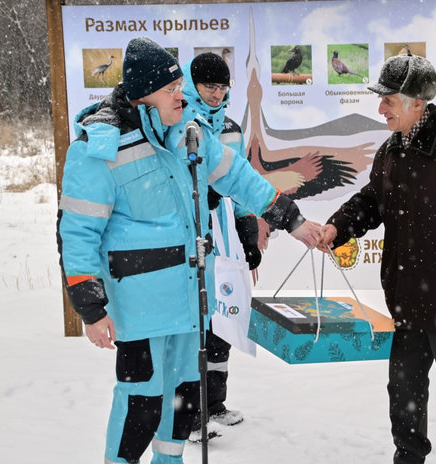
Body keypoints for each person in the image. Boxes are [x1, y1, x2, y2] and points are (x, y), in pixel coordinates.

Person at [57, 37, 323, 464]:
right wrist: (90, 306)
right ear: (144, 94)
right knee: (141, 403)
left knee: (184, 398)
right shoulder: (98, 150)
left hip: (189, 297)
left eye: (181, 85)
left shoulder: (189, 135)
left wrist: (291, 219)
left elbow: (239, 178)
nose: (183, 95)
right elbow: (77, 234)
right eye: (172, 89)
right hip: (139, 305)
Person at [318, 53, 436, 464]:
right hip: (406, 300)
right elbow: (373, 201)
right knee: (404, 391)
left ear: (417, 103)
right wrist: (338, 228)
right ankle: (408, 457)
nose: (380, 107)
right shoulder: (393, 149)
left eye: (389, 99)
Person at [179, 52, 254, 437]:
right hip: (191, 235)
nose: (217, 93)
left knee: (222, 317)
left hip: (224, 237)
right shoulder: (179, 121)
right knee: (196, 323)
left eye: (223, 87)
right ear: (193, 85)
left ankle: (216, 403)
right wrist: (201, 190)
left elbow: (241, 182)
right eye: (210, 86)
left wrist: (248, 231)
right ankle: (191, 415)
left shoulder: (231, 127)